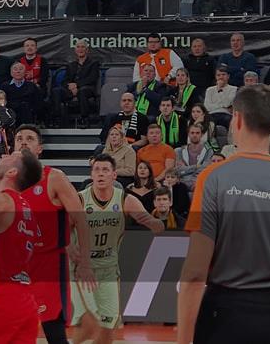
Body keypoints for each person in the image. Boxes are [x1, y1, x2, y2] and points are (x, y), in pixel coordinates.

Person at [176, 85, 270, 344]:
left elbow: (195, 274)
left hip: (224, 317)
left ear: (237, 119)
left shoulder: (212, 178)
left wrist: (183, 340)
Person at [11, 124, 93, 344]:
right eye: (19, 138)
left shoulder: (54, 177)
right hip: (16, 265)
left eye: (30, 139)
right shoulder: (7, 180)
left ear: (40, 148)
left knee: (53, 332)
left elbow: (80, 219)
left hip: (48, 264)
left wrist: (84, 261)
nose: (23, 142)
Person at [69, 154, 164, 344]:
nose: (100, 174)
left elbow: (148, 220)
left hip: (109, 269)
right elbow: (60, 231)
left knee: (107, 330)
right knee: (89, 324)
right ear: (91, 175)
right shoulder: (79, 200)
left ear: (114, 175)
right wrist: (70, 249)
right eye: (97, 170)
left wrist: (157, 223)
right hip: (83, 269)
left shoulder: (125, 200)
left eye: (105, 170)